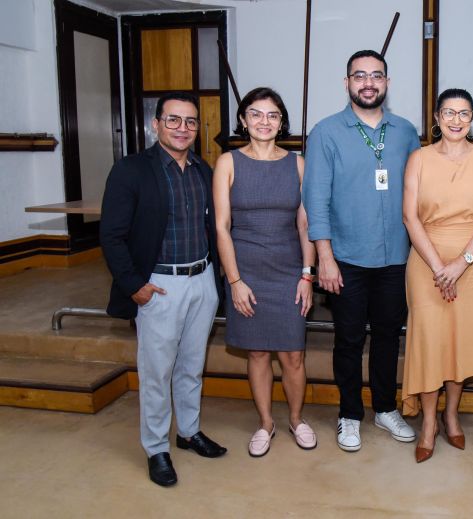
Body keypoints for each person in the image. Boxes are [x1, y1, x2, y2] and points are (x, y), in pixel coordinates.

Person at [100, 92, 227, 487]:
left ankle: (188, 432)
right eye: (173, 120)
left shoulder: (204, 171)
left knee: (191, 365)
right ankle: (156, 448)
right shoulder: (131, 170)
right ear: (155, 124)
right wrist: (135, 285)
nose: (182, 128)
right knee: (157, 372)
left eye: (190, 122)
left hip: (202, 281)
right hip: (159, 285)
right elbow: (112, 235)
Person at [302, 49, 420, 452]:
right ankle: (349, 414)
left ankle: (385, 408)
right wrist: (325, 258)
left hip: (397, 260)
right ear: (347, 82)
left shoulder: (406, 131)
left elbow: (418, 195)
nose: (368, 82)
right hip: (346, 259)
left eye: (376, 76)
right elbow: (315, 200)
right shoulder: (325, 132)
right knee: (348, 340)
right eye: (359, 76)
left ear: (387, 82)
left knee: (389, 337)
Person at [213, 87, 317, 457]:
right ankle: (265, 423)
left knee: (293, 355)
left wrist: (307, 275)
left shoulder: (298, 164)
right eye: (255, 114)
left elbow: (306, 225)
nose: (264, 122)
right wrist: (235, 282)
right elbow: (222, 227)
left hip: (289, 269)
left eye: (272, 115)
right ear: (243, 120)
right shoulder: (228, 162)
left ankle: (295, 419)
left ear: (281, 122)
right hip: (247, 271)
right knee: (257, 353)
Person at [401, 88, 473, 463]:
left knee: (460, 342)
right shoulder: (419, 159)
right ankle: (428, 421)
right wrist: (439, 266)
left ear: (472, 119)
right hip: (427, 261)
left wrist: (462, 262)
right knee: (431, 342)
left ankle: (451, 414)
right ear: (437, 117)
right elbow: (410, 217)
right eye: (449, 112)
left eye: (464, 113)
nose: (456, 120)